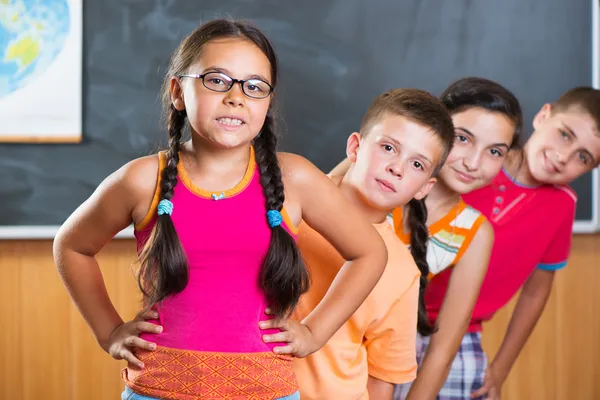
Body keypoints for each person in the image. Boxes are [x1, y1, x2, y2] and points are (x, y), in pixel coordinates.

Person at [53, 18, 388, 400]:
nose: (236, 97)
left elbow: (369, 252)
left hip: (265, 390)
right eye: (216, 80)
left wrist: (314, 331)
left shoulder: (296, 178)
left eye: (254, 86)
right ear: (178, 92)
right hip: (159, 388)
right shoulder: (142, 179)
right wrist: (109, 330)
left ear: (267, 103)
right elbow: (72, 246)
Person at [282, 88, 454, 400]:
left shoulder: (402, 272)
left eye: (417, 164)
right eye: (389, 147)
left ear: (425, 188)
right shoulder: (290, 202)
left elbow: (381, 377)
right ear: (355, 147)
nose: (397, 168)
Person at [464, 86, 600, 399]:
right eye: (565, 134)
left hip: (463, 333)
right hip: (397, 312)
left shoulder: (562, 205)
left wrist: (500, 368)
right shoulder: (477, 160)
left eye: (583, 157)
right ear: (543, 116)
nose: (563, 157)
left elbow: (536, 292)